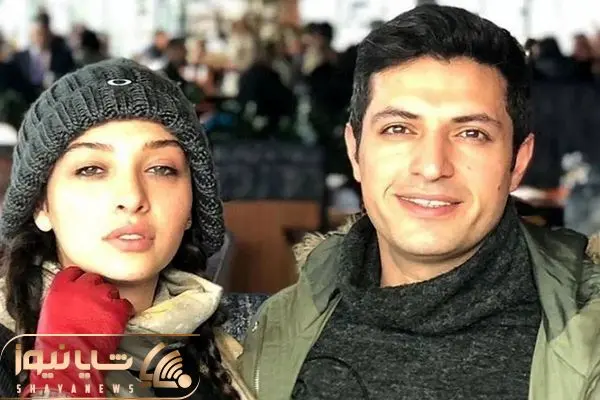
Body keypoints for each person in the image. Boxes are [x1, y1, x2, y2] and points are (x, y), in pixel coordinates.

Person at [236, 5, 600, 400]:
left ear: (518, 161)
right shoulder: (276, 330)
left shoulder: (589, 338)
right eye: (398, 129)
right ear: (355, 151)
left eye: (471, 134)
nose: (431, 166)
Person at [0, 58, 254, 399]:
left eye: (161, 169)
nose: (132, 197)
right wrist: (65, 375)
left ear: (192, 205)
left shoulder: (244, 349)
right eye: (91, 169)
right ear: (41, 206)